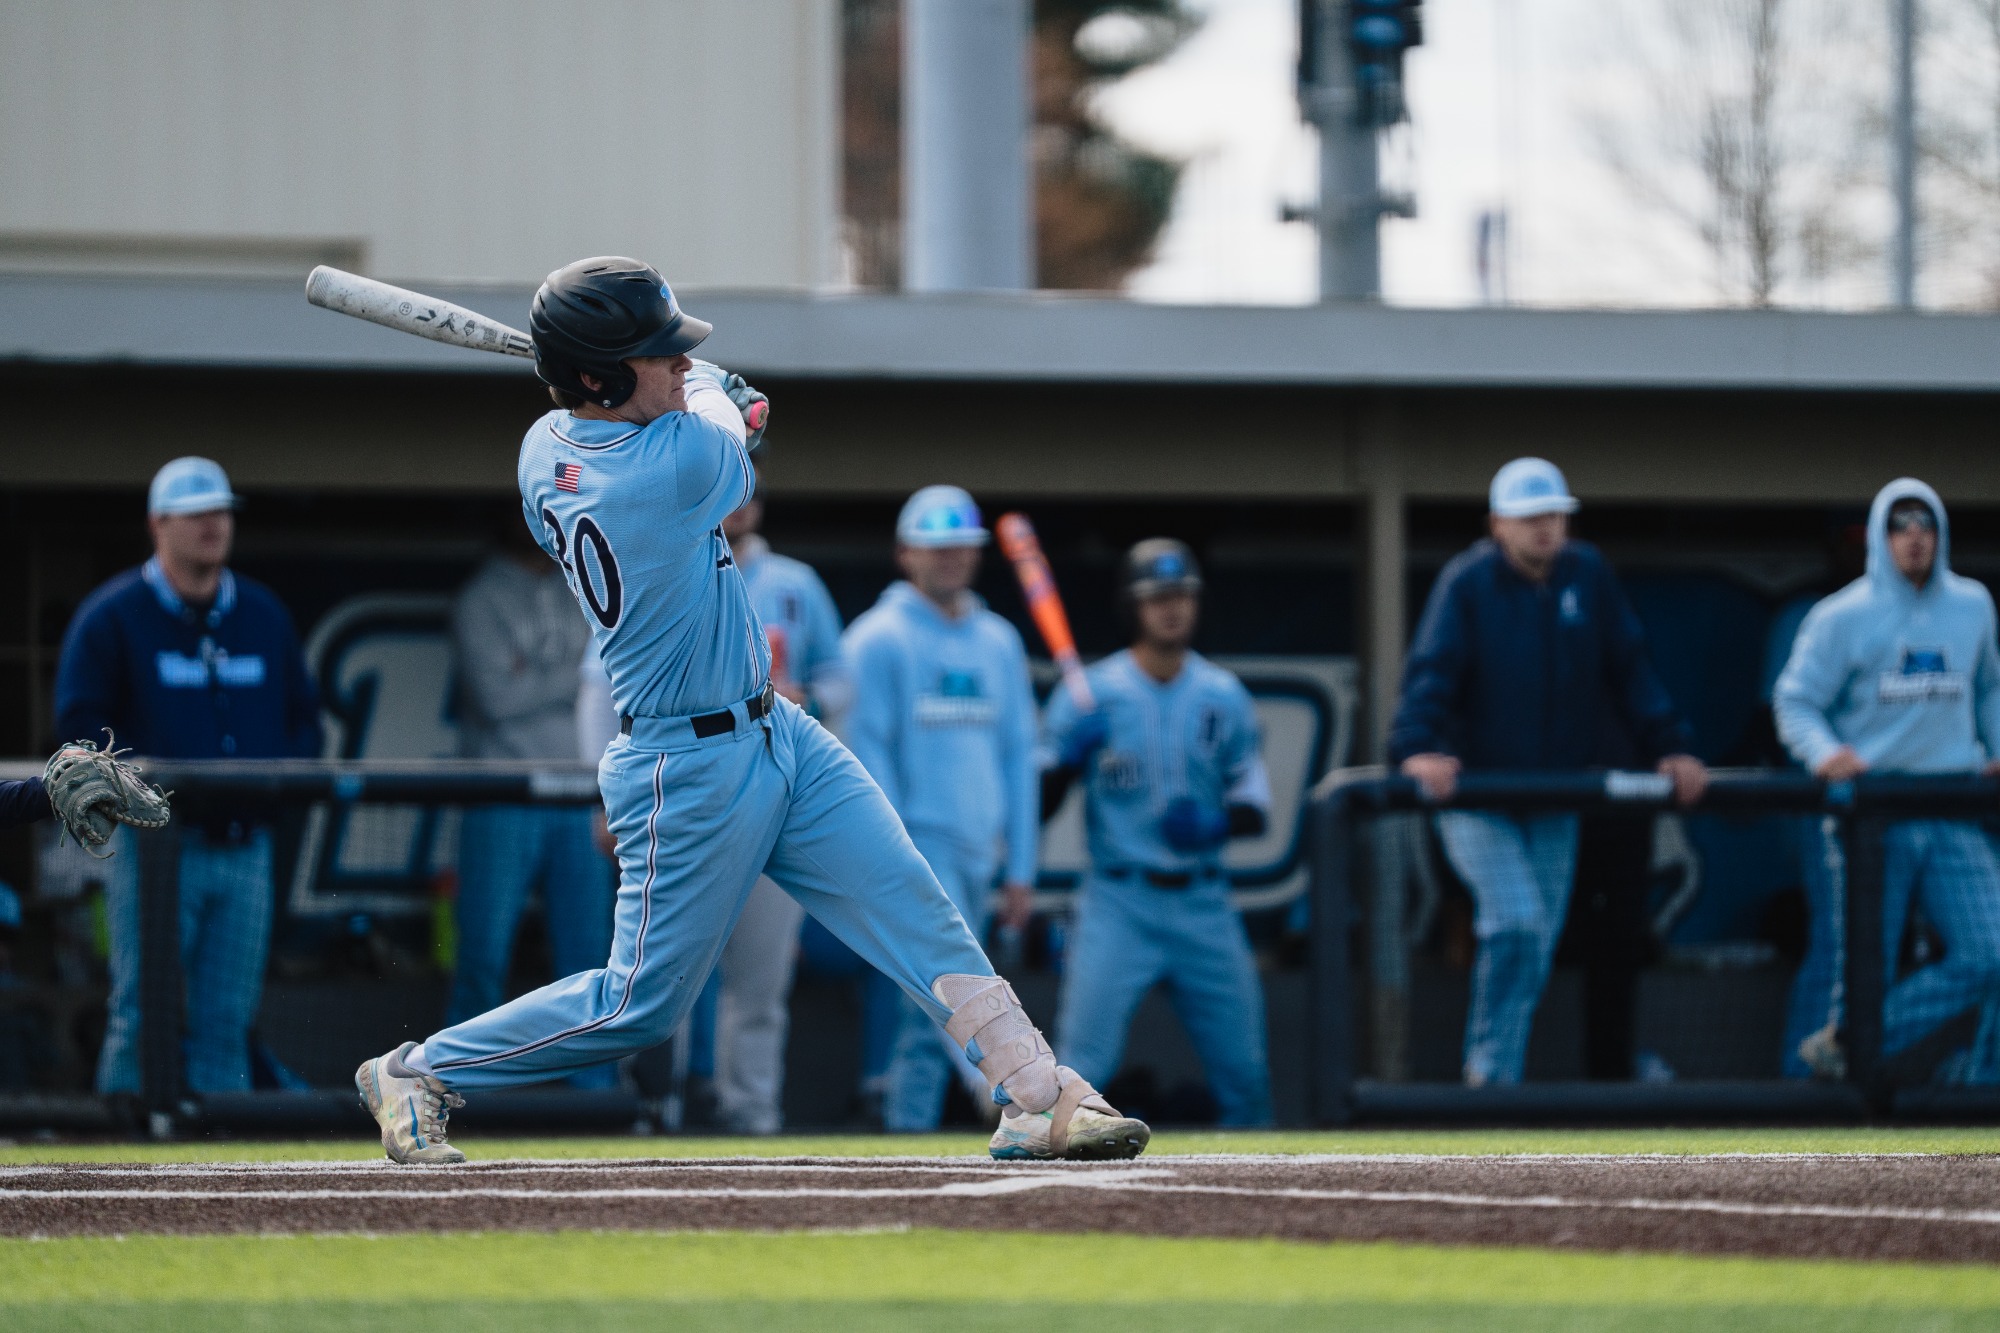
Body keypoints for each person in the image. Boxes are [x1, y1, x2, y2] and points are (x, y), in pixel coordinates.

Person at [355, 258, 1147, 1164]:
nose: (679, 365)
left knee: (913, 902)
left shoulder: (547, 445)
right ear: (598, 377)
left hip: (779, 731)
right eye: (659, 355)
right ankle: (420, 1069)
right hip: (681, 765)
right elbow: (724, 433)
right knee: (635, 1006)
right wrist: (727, 399)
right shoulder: (671, 467)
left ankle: (1037, 1093)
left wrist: (700, 395)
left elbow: (695, 416)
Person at [1389, 457, 1707, 1086]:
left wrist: (1670, 745)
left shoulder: (1587, 574)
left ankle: (1496, 1082)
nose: (1544, 528)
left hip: (1555, 795)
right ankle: (1488, 1074)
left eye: (1554, 515)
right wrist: (1416, 744)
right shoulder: (1469, 581)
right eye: (1530, 517)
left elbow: (1630, 668)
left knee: (1537, 940)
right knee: (1515, 921)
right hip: (1478, 795)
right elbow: (1433, 671)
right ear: (1497, 523)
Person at [573, 471, 851, 1133]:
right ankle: (651, 1107)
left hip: (773, 799)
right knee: (659, 978)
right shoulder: (650, 566)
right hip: (683, 805)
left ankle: (750, 1114)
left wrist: (811, 699)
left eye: (748, 488)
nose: (738, 502)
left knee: (759, 984)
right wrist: (605, 795)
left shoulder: (795, 583)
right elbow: (596, 692)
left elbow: (842, 682)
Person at [55, 456, 321, 1095]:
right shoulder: (113, 615)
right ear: (158, 524)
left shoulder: (261, 613)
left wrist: (273, 795)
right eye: (197, 513)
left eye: (222, 511)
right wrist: (133, 796)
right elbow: (78, 725)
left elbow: (303, 722)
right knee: (140, 1009)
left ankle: (213, 1170)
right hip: (154, 850)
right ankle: (112, 1170)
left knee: (226, 1020)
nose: (214, 525)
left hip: (244, 847)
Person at [1774, 478, 2000, 1084]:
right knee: (1857, 964)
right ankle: (1808, 1095)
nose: (1914, 539)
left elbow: (1988, 688)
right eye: (1900, 526)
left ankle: (1854, 1045)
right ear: (1881, 536)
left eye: (1925, 525)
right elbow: (1795, 701)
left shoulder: (1973, 604)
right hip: (1872, 813)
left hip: (1953, 804)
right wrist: (1823, 752)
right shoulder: (1839, 617)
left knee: (1992, 954)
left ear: (1942, 534)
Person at [1041, 540, 1274, 1125]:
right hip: (1119, 900)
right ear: (1133, 607)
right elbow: (1038, 807)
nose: (1171, 609)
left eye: (1182, 596)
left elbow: (1256, 807)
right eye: (1157, 598)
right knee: (1078, 1074)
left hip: (1203, 901)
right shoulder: (1091, 695)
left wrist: (1217, 825)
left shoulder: (1223, 695)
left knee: (1245, 1075)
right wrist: (1070, 761)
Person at [843, 484, 1040, 1132]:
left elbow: (1018, 755)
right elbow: (867, 761)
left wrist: (1023, 869)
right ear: (906, 553)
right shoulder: (875, 639)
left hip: (983, 852)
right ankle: (1008, 1089)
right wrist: (898, 865)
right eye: (938, 547)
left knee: (924, 1017)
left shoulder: (999, 640)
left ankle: (909, 1140)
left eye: (963, 547)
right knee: (952, 994)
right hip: (919, 849)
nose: (953, 558)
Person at [448, 519, 614, 1088]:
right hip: (502, 794)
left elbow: (612, 680)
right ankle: (459, 1086)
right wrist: (577, 679)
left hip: (577, 796)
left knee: (590, 958)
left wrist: (541, 675)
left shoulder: (585, 585)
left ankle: (594, 1096)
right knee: (483, 956)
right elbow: (498, 699)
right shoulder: (480, 596)